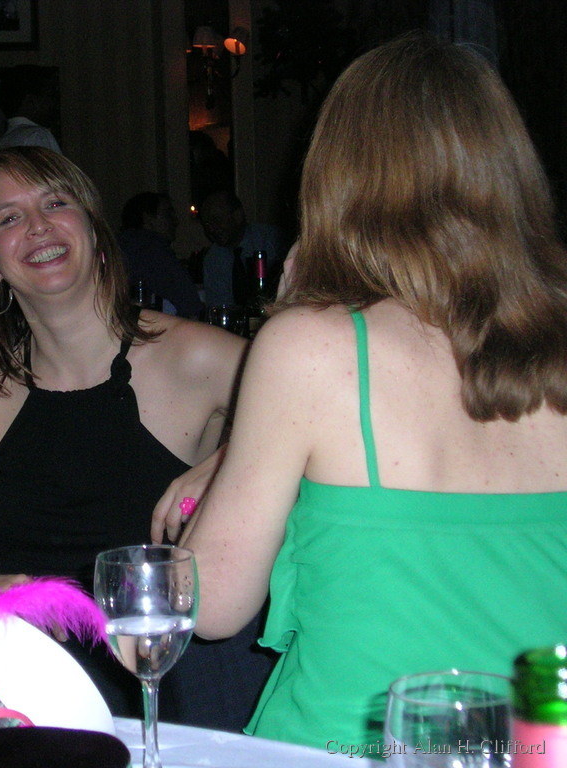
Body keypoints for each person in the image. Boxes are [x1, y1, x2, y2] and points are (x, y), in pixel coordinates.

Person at [158, 31, 567, 750]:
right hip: (539, 748)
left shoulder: (312, 347)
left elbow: (211, 605)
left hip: (347, 749)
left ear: (339, 175)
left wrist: (236, 450)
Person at [0, 147, 251, 720]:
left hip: (149, 654)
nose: (37, 226)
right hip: (16, 660)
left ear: (95, 232)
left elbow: (331, 417)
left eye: (55, 204)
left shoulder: (199, 357)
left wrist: (231, 461)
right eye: (10, 217)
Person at [117, 192, 203, 318]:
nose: (175, 221)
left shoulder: (119, 247)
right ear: (148, 219)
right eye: (168, 214)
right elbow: (190, 304)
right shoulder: (152, 251)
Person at [197, 189, 284, 309]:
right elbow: (218, 305)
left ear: (238, 216)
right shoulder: (213, 259)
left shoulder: (271, 240)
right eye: (206, 224)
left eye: (217, 220)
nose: (211, 229)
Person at [0, 65, 62, 154]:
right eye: (50, 96)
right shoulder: (36, 136)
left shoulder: (5, 140)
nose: (55, 103)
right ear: (31, 101)